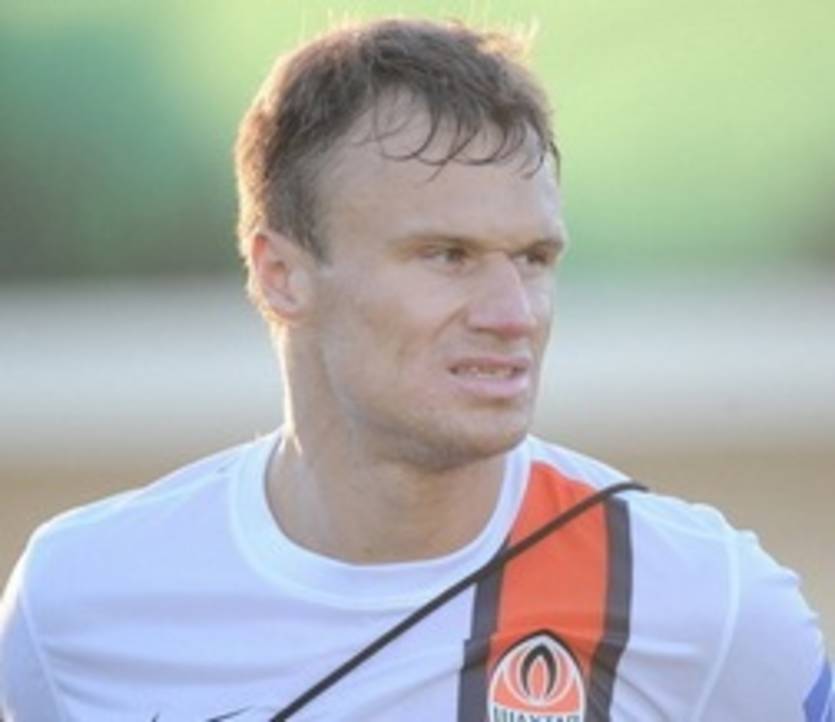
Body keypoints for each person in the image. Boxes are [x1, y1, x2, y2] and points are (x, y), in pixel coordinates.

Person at [0, 17, 831, 722]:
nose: (513, 313)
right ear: (280, 272)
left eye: (533, 258)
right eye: (446, 255)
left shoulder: (701, 599)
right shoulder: (78, 599)